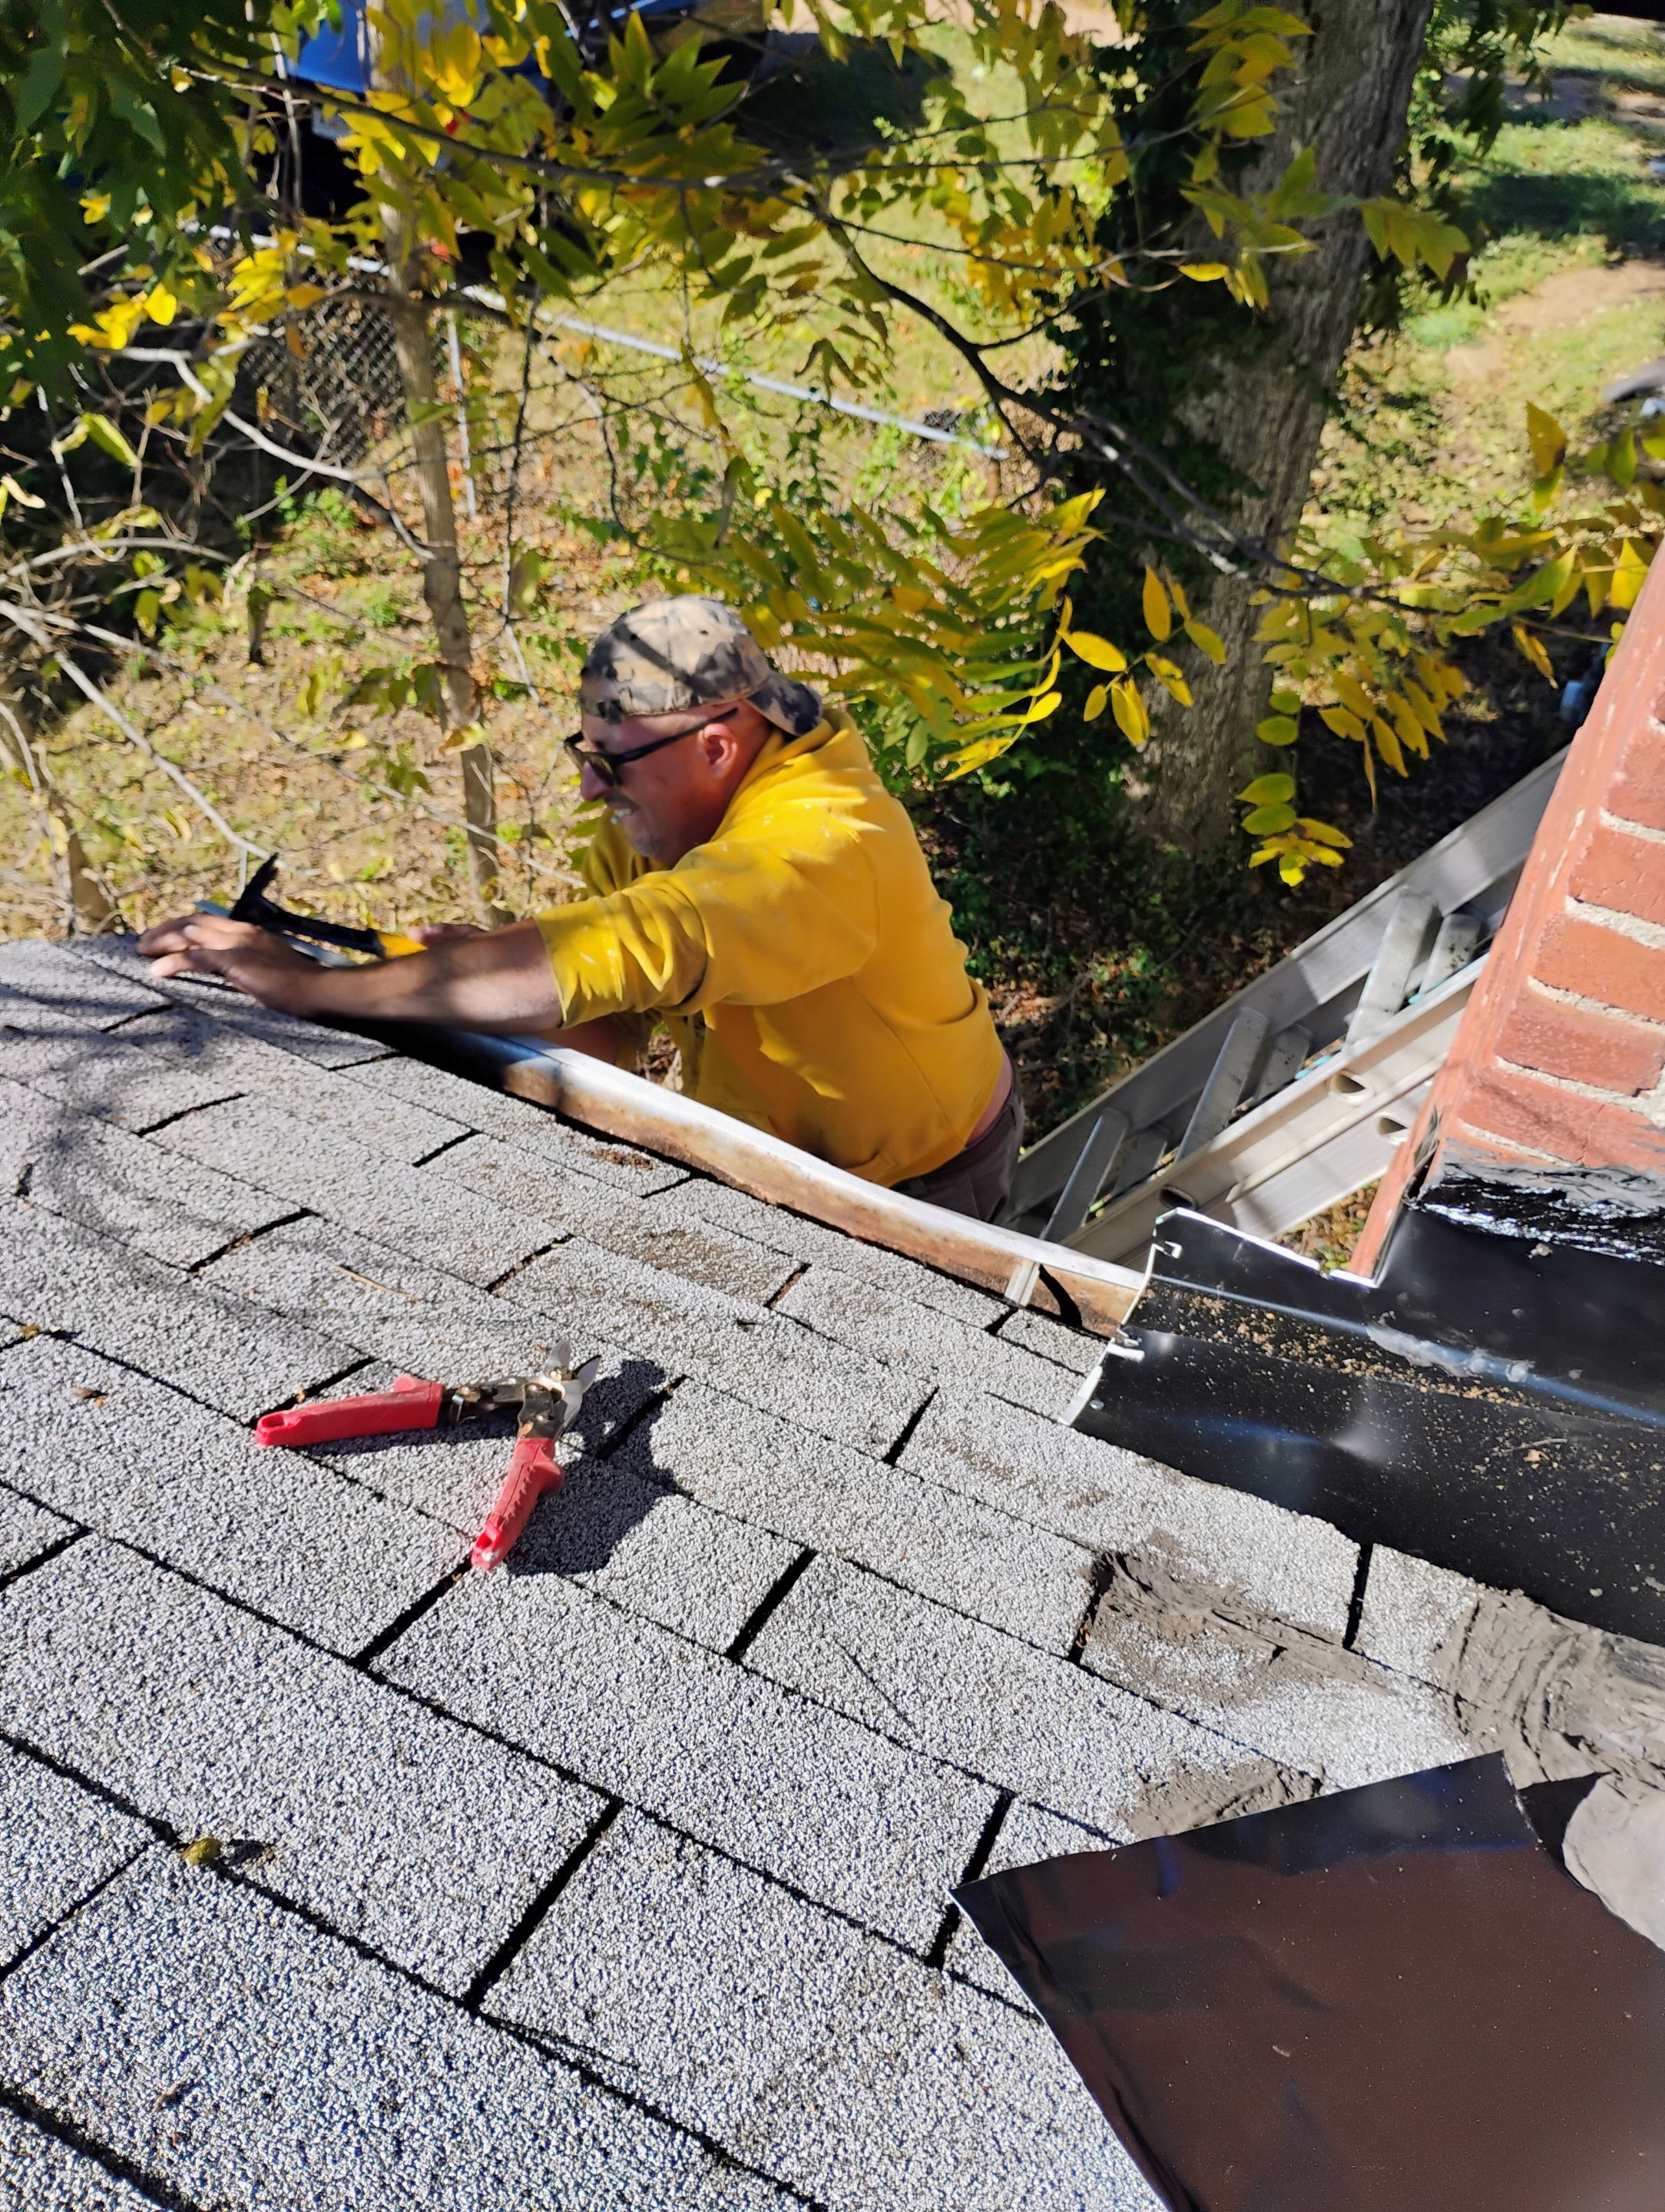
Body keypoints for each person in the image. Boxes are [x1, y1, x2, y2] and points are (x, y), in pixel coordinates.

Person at [139, 594, 1022, 1220]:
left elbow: (647, 941)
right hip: (785, 1142)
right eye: (585, 751)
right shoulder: (657, 816)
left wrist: (311, 991)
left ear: (715, 745)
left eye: (615, 759)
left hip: (924, 1174)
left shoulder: (827, 845)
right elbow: (614, 1031)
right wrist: (457, 979)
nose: (592, 786)